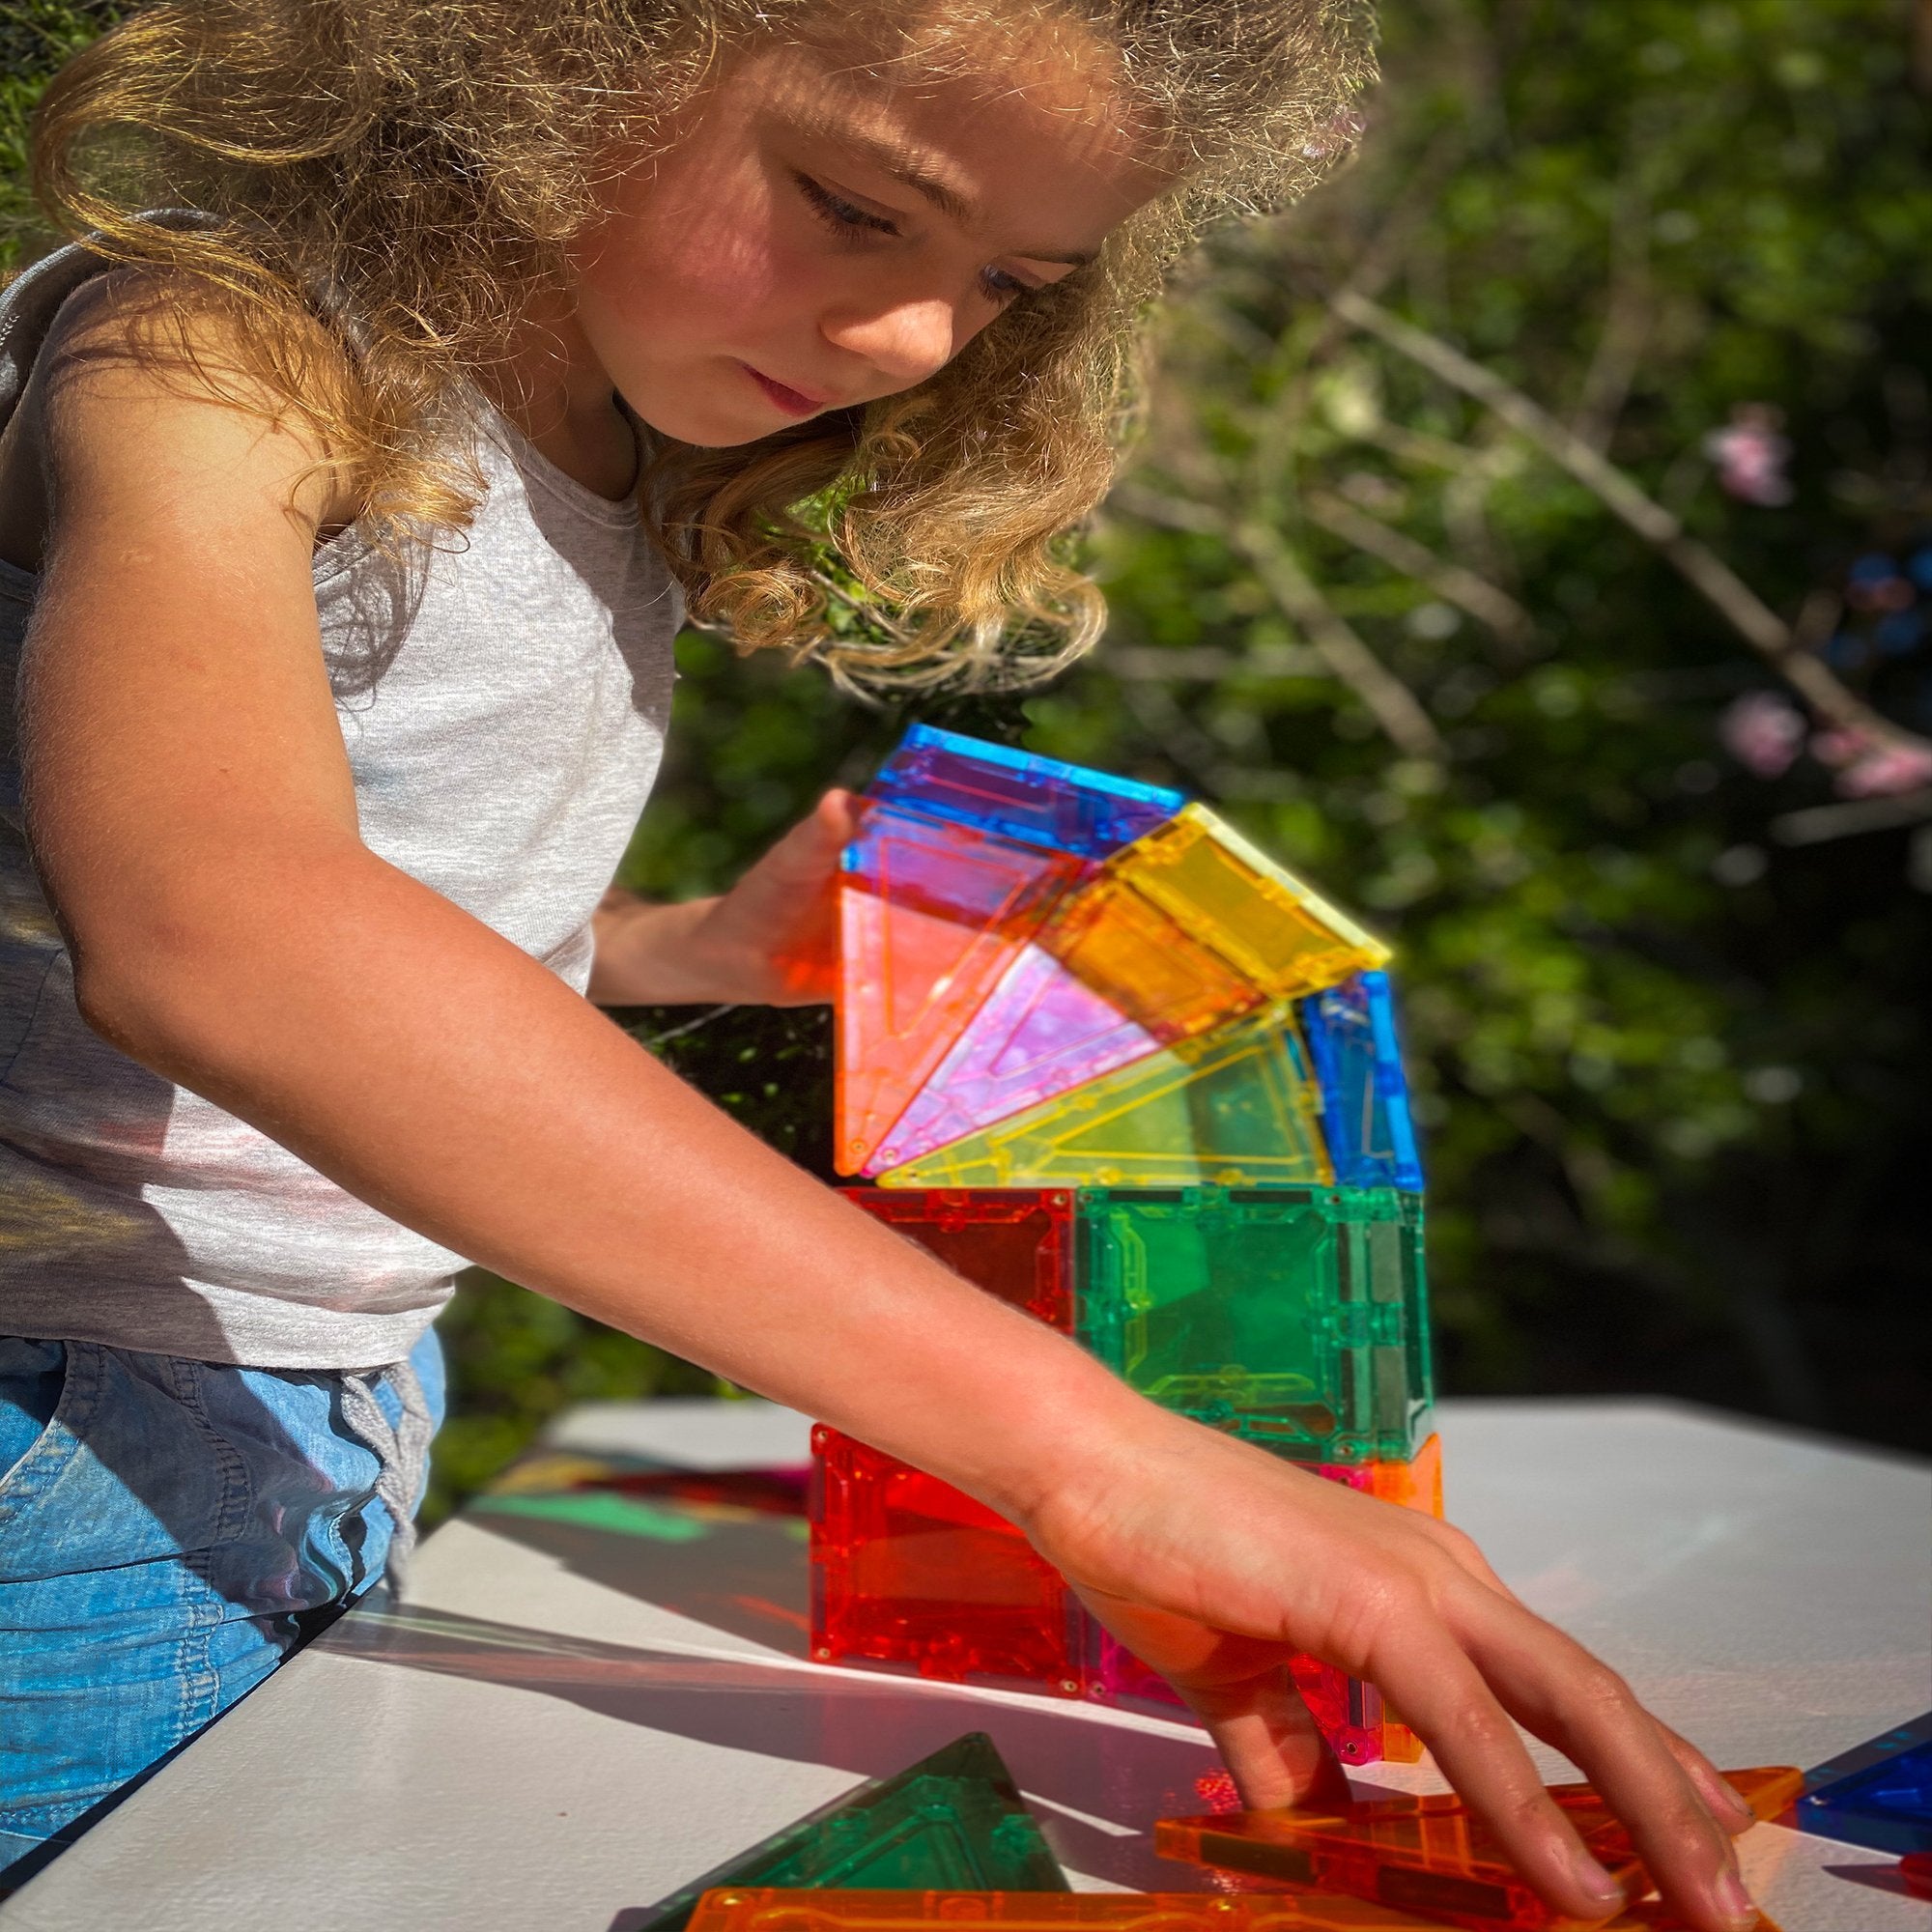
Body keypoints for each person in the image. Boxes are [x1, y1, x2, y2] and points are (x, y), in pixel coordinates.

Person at [0, 3, 1761, 1924]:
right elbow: (221, 927)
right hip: (72, 1451)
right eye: (856, 207)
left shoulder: (608, 444)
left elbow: (366, 913)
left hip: (303, 1406)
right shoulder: (217, 356)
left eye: (1010, 282)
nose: (922, 336)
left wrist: (679, 949)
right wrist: (1087, 1453)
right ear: (553, 52)